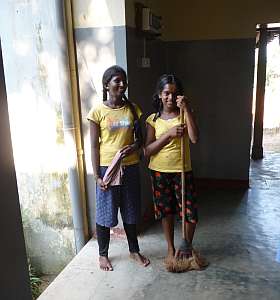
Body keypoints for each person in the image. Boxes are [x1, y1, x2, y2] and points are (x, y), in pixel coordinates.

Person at [87, 65, 150, 271]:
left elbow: (140, 140)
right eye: (117, 81)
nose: (122, 84)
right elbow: (94, 145)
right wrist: (97, 175)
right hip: (108, 169)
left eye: (124, 81)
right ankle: (103, 255)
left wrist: (135, 146)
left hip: (130, 167)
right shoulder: (97, 112)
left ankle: (134, 250)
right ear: (107, 85)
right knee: (105, 212)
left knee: (131, 210)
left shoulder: (133, 108)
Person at [144, 74, 199, 262]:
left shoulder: (184, 113)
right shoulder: (153, 119)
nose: (170, 97)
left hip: (182, 170)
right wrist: (168, 135)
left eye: (174, 94)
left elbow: (194, 138)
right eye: (166, 93)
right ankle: (170, 249)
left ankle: (186, 246)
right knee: (165, 212)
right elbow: (147, 150)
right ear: (160, 94)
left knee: (189, 213)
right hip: (159, 171)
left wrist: (187, 110)